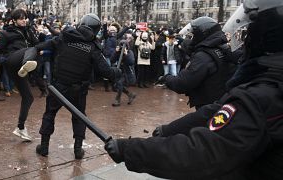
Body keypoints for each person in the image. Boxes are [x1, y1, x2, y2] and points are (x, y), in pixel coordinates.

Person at [104, 0, 283, 179]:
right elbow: (214, 110)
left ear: (267, 34)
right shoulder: (262, 80)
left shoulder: (262, 94)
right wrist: (169, 129)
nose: (245, 40)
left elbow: (204, 152)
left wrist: (131, 150)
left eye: (250, 32)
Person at [34, 13, 122, 159]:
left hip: (58, 87)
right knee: (79, 117)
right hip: (78, 89)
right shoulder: (93, 46)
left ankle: (44, 146)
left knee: (50, 113)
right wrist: (116, 72)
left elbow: (47, 44)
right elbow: (106, 72)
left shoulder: (65, 37)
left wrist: (34, 49)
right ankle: (77, 150)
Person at [157, 17, 237, 110]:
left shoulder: (203, 56)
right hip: (220, 102)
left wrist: (166, 78)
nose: (193, 39)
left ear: (203, 34)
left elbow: (182, 83)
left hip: (208, 106)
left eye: (194, 35)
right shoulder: (222, 48)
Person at [0, 9, 39, 141]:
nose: (24, 20)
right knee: (30, 50)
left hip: (21, 69)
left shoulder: (28, 31)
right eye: (21, 18)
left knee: (28, 97)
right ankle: (26, 65)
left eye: (25, 18)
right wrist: (3, 60)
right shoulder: (6, 33)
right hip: (12, 61)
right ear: (14, 20)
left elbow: (38, 45)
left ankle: (20, 127)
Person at [111, 40, 136, 107]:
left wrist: (126, 54)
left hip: (128, 73)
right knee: (117, 85)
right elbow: (112, 60)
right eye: (121, 46)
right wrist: (116, 52)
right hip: (120, 72)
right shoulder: (118, 53)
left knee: (119, 84)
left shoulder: (130, 52)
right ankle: (130, 95)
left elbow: (131, 62)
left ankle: (117, 100)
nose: (122, 47)